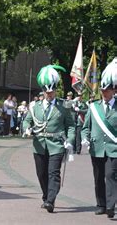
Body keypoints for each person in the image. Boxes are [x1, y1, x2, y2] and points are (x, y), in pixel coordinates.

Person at [23, 64, 75, 213]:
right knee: (41, 174)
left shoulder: (64, 106)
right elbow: (27, 120)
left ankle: (50, 201)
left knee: (53, 173)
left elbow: (71, 126)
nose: (49, 94)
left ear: (55, 90)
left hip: (57, 144)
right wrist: (26, 128)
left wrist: (70, 140)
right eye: (47, 92)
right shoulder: (35, 106)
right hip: (39, 144)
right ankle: (46, 196)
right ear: (43, 92)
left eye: (52, 92)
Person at [81, 58, 117, 219]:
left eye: (107, 90)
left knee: (110, 176)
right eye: (103, 90)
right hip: (97, 148)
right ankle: (101, 204)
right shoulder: (93, 107)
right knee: (98, 178)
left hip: (114, 148)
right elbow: (85, 127)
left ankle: (111, 206)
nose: (104, 93)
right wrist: (85, 138)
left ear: (114, 90)